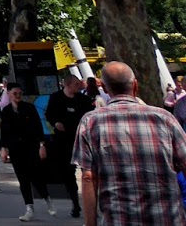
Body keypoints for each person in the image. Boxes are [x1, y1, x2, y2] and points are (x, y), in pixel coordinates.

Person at [74, 60, 186, 226]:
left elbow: (89, 177)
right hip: (167, 217)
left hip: (119, 218)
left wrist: (91, 222)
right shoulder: (164, 118)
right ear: (135, 85)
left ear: (104, 88)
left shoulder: (90, 122)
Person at [45, 73, 96, 218]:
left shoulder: (84, 99)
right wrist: (55, 123)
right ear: (67, 85)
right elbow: (49, 114)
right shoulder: (56, 98)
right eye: (76, 85)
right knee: (68, 173)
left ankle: (92, 205)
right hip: (63, 141)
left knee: (89, 173)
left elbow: (90, 115)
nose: (79, 87)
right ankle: (75, 203)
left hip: (82, 138)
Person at [2, 83, 54, 221]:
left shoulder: (29, 108)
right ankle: (29, 208)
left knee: (35, 176)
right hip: (15, 149)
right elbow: (5, 132)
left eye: (20, 93)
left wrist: (42, 145)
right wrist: (4, 148)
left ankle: (46, 197)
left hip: (30, 147)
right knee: (22, 179)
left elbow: (38, 127)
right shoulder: (6, 111)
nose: (18, 96)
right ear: (8, 94)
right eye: (15, 93)